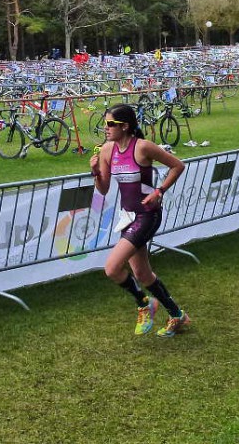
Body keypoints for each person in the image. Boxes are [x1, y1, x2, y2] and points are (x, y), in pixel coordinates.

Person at [90, 104, 190, 337]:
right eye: (105, 124)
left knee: (112, 267)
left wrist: (159, 191)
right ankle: (178, 315)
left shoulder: (142, 147)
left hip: (148, 215)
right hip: (128, 217)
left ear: (125, 126)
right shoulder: (107, 150)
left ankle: (144, 303)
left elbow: (177, 165)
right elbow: (103, 189)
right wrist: (95, 171)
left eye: (110, 124)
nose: (105, 128)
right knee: (143, 275)